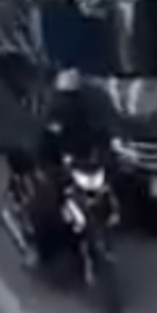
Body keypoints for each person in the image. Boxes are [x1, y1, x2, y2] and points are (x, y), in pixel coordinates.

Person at [15, 68, 106, 270]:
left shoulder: (88, 114)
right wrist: (47, 164)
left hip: (81, 167)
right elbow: (42, 144)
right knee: (45, 210)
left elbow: (100, 136)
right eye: (67, 96)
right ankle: (39, 251)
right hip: (57, 170)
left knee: (103, 196)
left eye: (73, 96)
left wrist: (102, 155)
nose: (69, 103)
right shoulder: (52, 115)